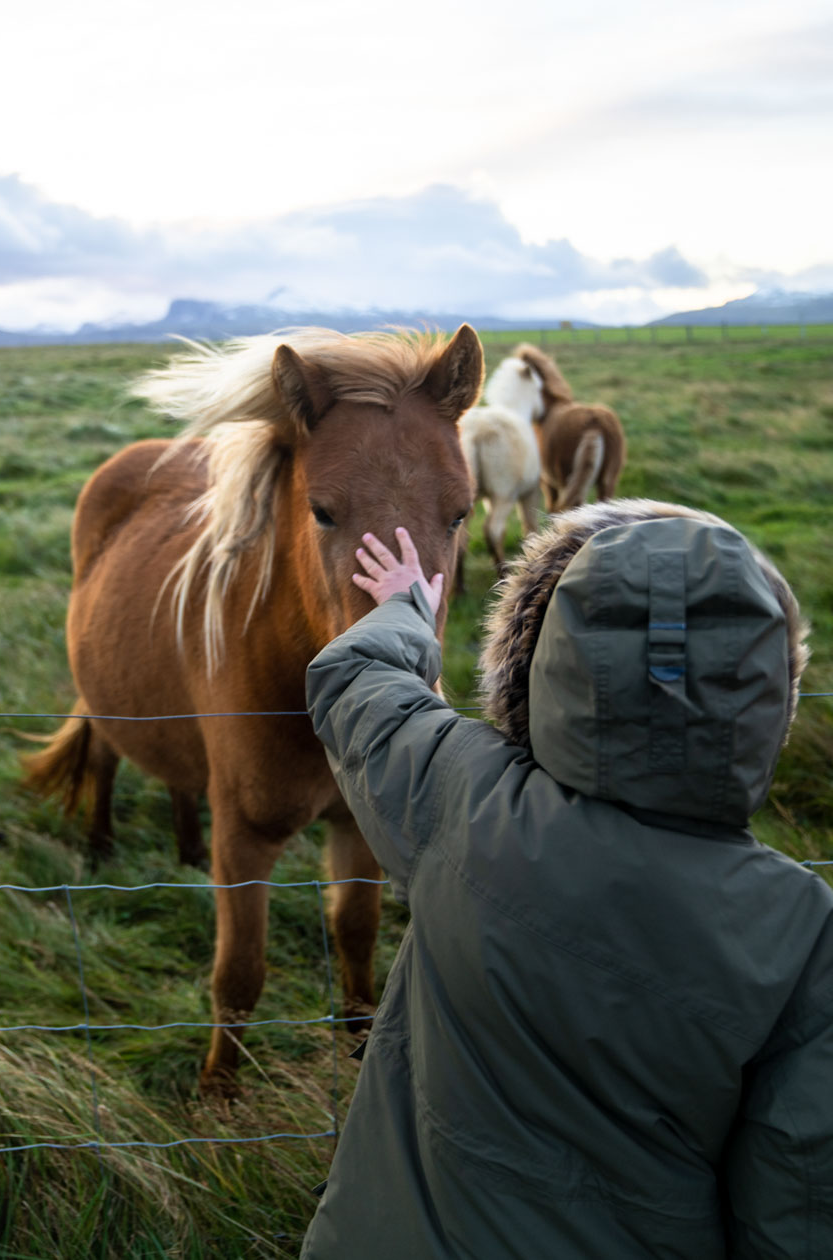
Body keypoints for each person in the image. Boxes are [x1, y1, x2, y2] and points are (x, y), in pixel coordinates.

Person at [300, 498, 833, 1260]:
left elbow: (359, 683)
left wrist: (407, 610)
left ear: (540, 663)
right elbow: (797, 1212)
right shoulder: (805, 933)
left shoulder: (460, 797)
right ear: (771, 691)